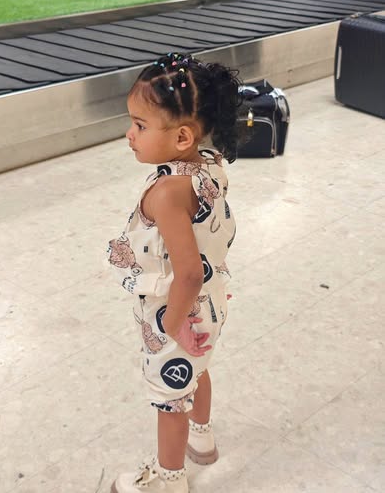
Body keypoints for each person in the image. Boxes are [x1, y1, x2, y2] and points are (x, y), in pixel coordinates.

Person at [107, 52, 241, 493]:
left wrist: (171, 323)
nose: (129, 135)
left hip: (179, 309)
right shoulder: (209, 164)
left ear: (182, 135)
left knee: (169, 400)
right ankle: (202, 438)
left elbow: (187, 274)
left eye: (140, 125)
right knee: (197, 371)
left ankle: (169, 480)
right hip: (211, 304)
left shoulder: (166, 192)